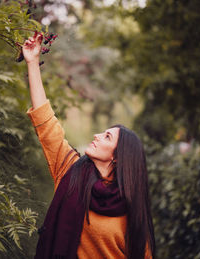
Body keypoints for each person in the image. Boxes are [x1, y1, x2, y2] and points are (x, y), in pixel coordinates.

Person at [23, 33, 155, 259]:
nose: (96, 135)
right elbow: (45, 121)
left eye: (106, 137)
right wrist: (33, 62)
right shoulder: (71, 171)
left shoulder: (132, 214)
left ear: (118, 158)